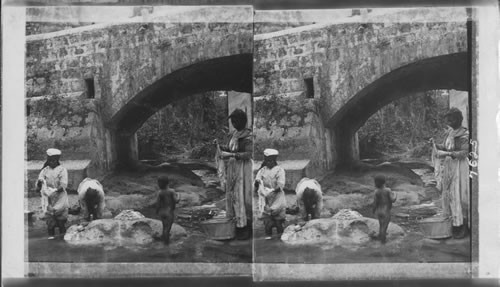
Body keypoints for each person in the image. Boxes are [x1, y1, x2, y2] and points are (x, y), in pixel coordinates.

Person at [430, 108, 470, 239]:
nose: (448, 122)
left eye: (451, 119)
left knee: (459, 195)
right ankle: (453, 223)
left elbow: (464, 153)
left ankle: (462, 225)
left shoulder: (464, 134)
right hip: (449, 167)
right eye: (447, 119)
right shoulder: (450, 133)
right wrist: (436, 145)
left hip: (459, 168)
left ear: (459, 119)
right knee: (449, 195)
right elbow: (446, 146)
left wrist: (446, 154)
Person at [215, 108, 253, 240]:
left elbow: (248, 154)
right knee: (233, 195)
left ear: (242, 121)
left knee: (242, 196)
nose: (234, 123)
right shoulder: (234, 135)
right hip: (233, 168)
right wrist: (221, 147)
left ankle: (246, 226)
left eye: (236, 120)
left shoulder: (248, 136)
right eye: (233, 121)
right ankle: (236, 224)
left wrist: (231, 155)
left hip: (243, 169)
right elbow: (230, 148)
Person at [254, 149, 287, 240]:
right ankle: (269, 240)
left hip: (277, 199)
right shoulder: (262, 171)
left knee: (278, 223)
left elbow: (280, 185)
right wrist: (257, 183)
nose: (268, 163)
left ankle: (280, 241)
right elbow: (257, 183)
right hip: (266, 200)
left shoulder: (279, 170)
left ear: (274, 160)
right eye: (266, 161)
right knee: (268, 224)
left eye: (269, 161)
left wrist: (271, 190)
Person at [37, 148, 69, 239]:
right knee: (50, 223)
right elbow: (39, 185)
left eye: (54, 160)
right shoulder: (45, 170)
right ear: (48, 160)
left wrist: (54, 190)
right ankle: (51, 238)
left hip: (60, 198)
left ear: (57, 160)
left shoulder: (62, 170)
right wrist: (40, 183)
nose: (52, 162)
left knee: (61, 222)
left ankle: (62, 240)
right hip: (48, 199)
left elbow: (63, 185)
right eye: (50, 160)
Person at [372, 175, 397, 244]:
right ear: (384, 182)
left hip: (379, 211)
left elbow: (375, 203)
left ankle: (380, 236)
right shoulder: (388, 190)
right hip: (386, 212)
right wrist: (395, 194)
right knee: (384, 227)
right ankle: (383, 243)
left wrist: (373, 211)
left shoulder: (376, 191)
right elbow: (393, 200)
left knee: (381, 225)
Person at [156, 176, 180, 244]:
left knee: (164, 227)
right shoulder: (171, 191)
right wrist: (179, 195)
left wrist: (157, 211)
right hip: (169, 212)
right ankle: (166, 244)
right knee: (167, 229)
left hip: (162, 212)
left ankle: (164, 239)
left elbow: (158, 203)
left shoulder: (160, 192)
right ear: (167, 183)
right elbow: (176, 201)